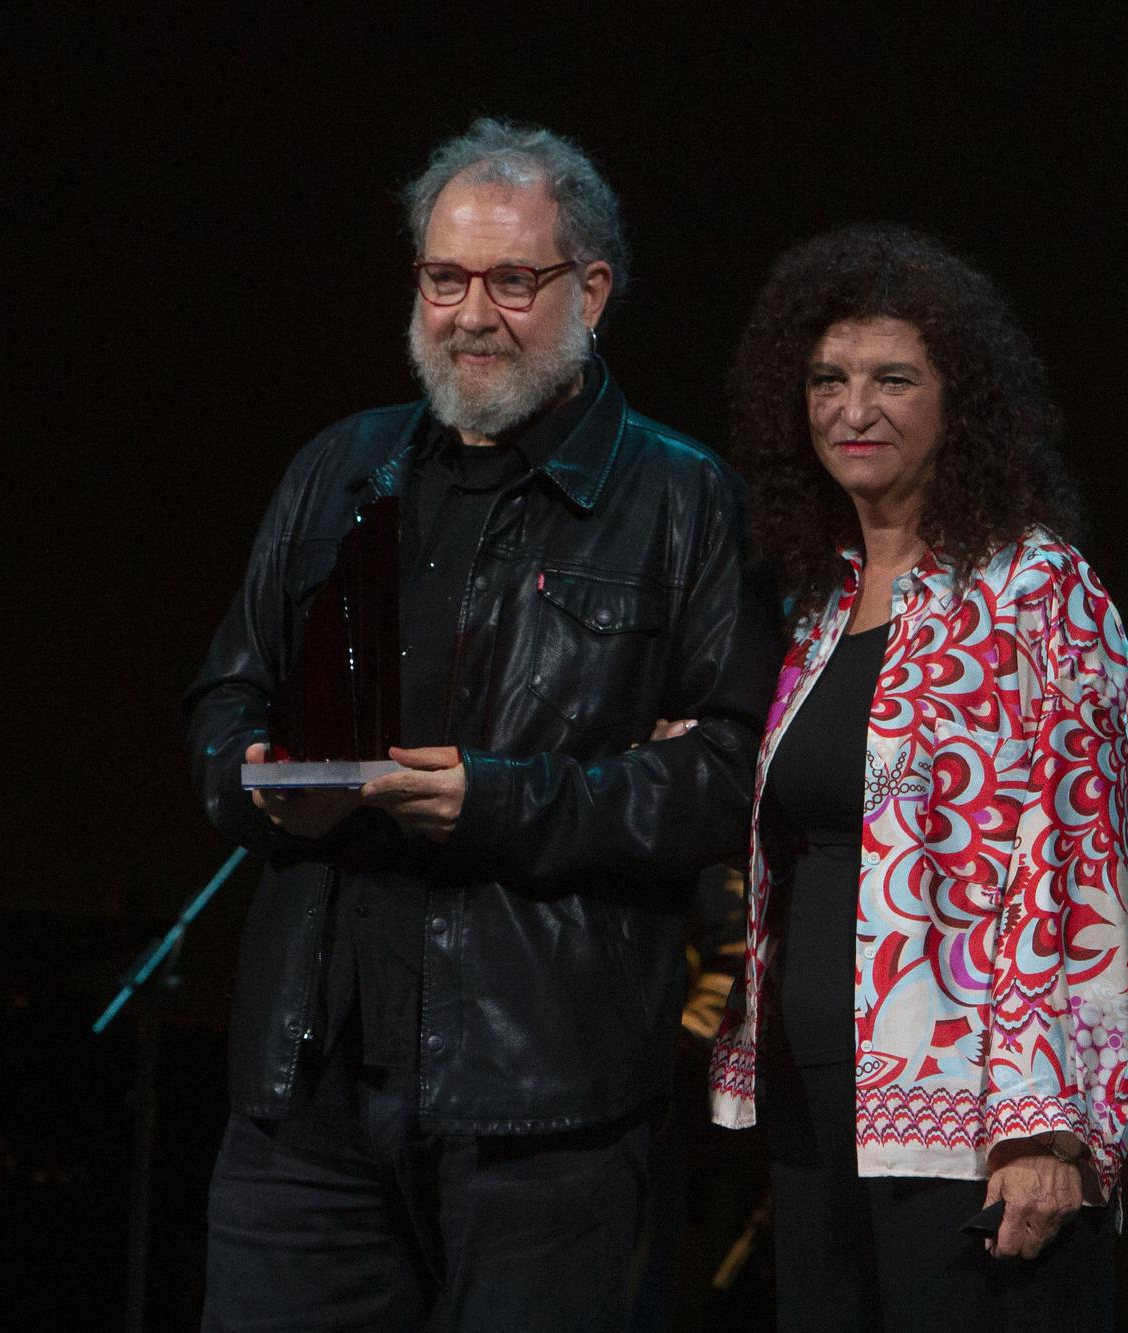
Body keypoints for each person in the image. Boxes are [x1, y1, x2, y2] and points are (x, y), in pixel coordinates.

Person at [183, 118, 777, 1332]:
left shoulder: (679, 501)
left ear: (591, 291)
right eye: (444, 278)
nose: (469, 314)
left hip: (542, 1110)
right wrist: (243, 774)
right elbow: (222, 698)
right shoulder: (338, 471)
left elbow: (729, 776)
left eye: (512, 281)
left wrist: (501, 800)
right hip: (308, 1092)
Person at [706, 224, 1128, 1330]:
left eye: (892, 379)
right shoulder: (813, 607)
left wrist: (1044, 1126)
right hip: (817, 1117)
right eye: (826, 379)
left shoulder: (1036, 592)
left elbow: (1084, 870)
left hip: (975, 1135)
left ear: (961, 403)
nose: (852, 408)